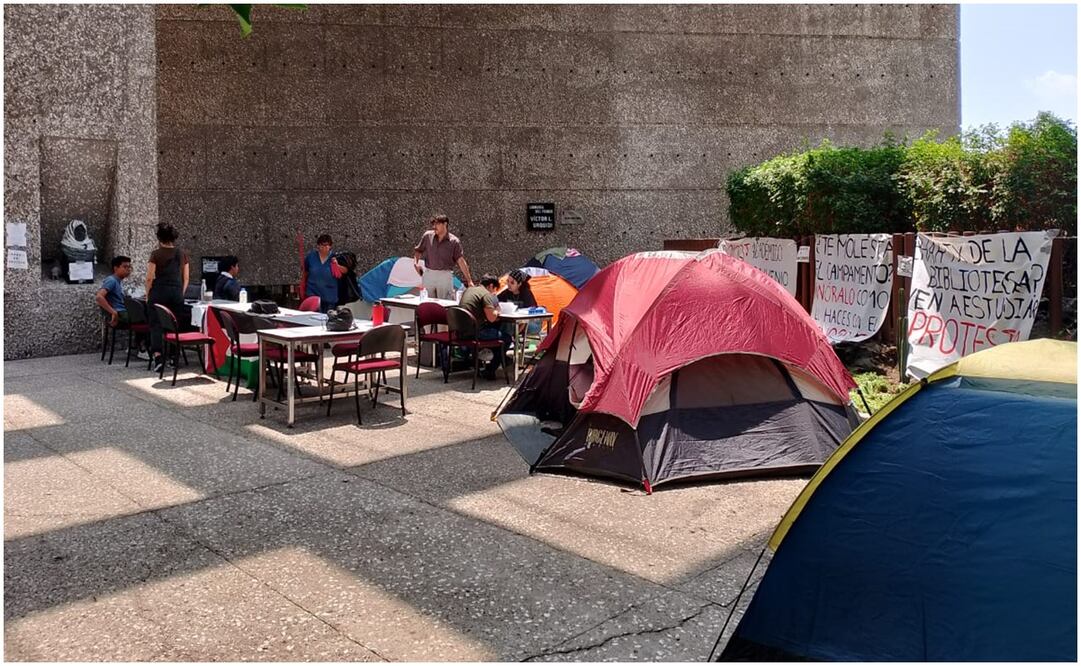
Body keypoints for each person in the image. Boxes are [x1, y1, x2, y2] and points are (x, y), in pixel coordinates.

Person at [146, 223, 190, 373]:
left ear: (159, 238)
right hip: (176, 292)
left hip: (159, 291)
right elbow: (186, 277)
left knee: (156, 324)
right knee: (175, 324)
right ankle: (173, 357)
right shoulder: (181, 254)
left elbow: (149, 277)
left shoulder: (155, 254)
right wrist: (181, 293)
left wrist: (148, 294)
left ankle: (158, 357)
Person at [459, 274, 512, 379]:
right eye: (494, 290)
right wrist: (497, 310)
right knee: (506, 338)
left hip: (461, 331)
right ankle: (491, 369)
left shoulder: (469, 290)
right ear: (491, 286)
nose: (494, 293)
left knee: (495, 334)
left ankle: (494, 362)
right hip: (475, 332)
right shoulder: (485, 294)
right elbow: (492, 318)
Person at [413, 214, 474, 298]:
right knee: (427, 301)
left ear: (445, 224)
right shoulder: (427, 236)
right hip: (429, 274)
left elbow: (460, 260)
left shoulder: (454, 241)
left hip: (445, 276)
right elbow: (418, 250)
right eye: (433, 224)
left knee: (445, 302)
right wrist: (415, 264)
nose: (434, 227)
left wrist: (469, 280)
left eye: (437, 224)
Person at [302, 234, 339, 313]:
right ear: (318, 246)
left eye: (326, 245)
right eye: (321, 245)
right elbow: (305, 271)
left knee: (328, 316)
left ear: (330, 246)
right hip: (313, 292)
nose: (324, 248)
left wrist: (336, 264)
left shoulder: (335, 257)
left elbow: (342, 272)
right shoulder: (311, 256)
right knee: (312, 315)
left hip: (329, 295)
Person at [96, 255, 132, 328]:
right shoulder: (112, 280)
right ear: (116, 268)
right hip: (120, 313)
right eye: (125, 267)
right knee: (149, 317)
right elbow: (99, 297)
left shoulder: (119, 281)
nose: (128, 269)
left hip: (123, 311)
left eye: (129, 267)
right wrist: (113, 312)